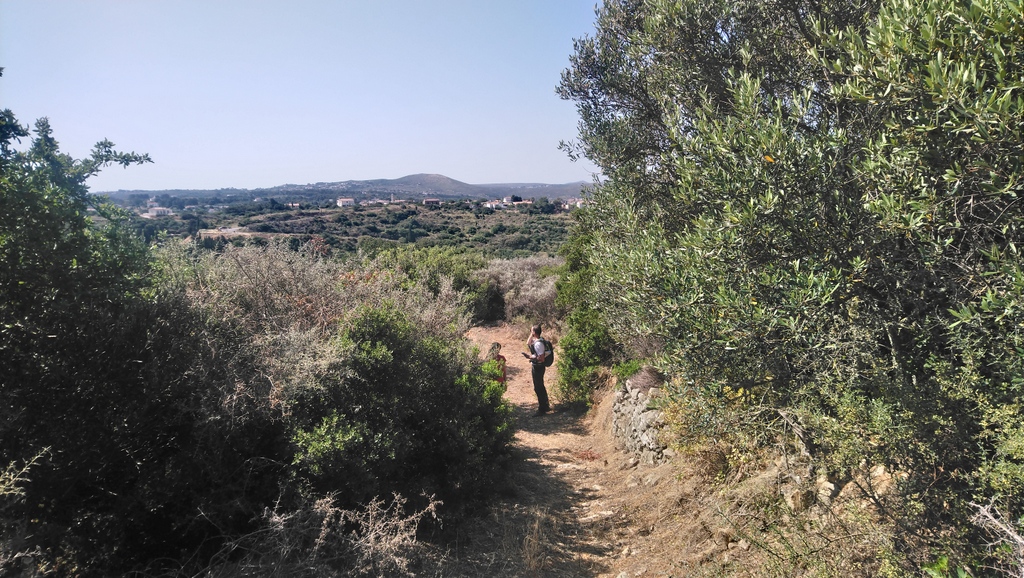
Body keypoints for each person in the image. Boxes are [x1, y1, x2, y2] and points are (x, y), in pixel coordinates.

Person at [522, 324, 550, 415]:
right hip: (538, 366)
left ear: (534, 332)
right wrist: (532, 332)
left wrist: (530, 356)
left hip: (538, 367)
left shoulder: (538, 344)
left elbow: (541, 358)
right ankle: (545, 406)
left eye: (531, 331)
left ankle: (542, 409)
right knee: (540, 386)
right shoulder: (538, 340)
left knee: (538, 387)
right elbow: (528, 343)